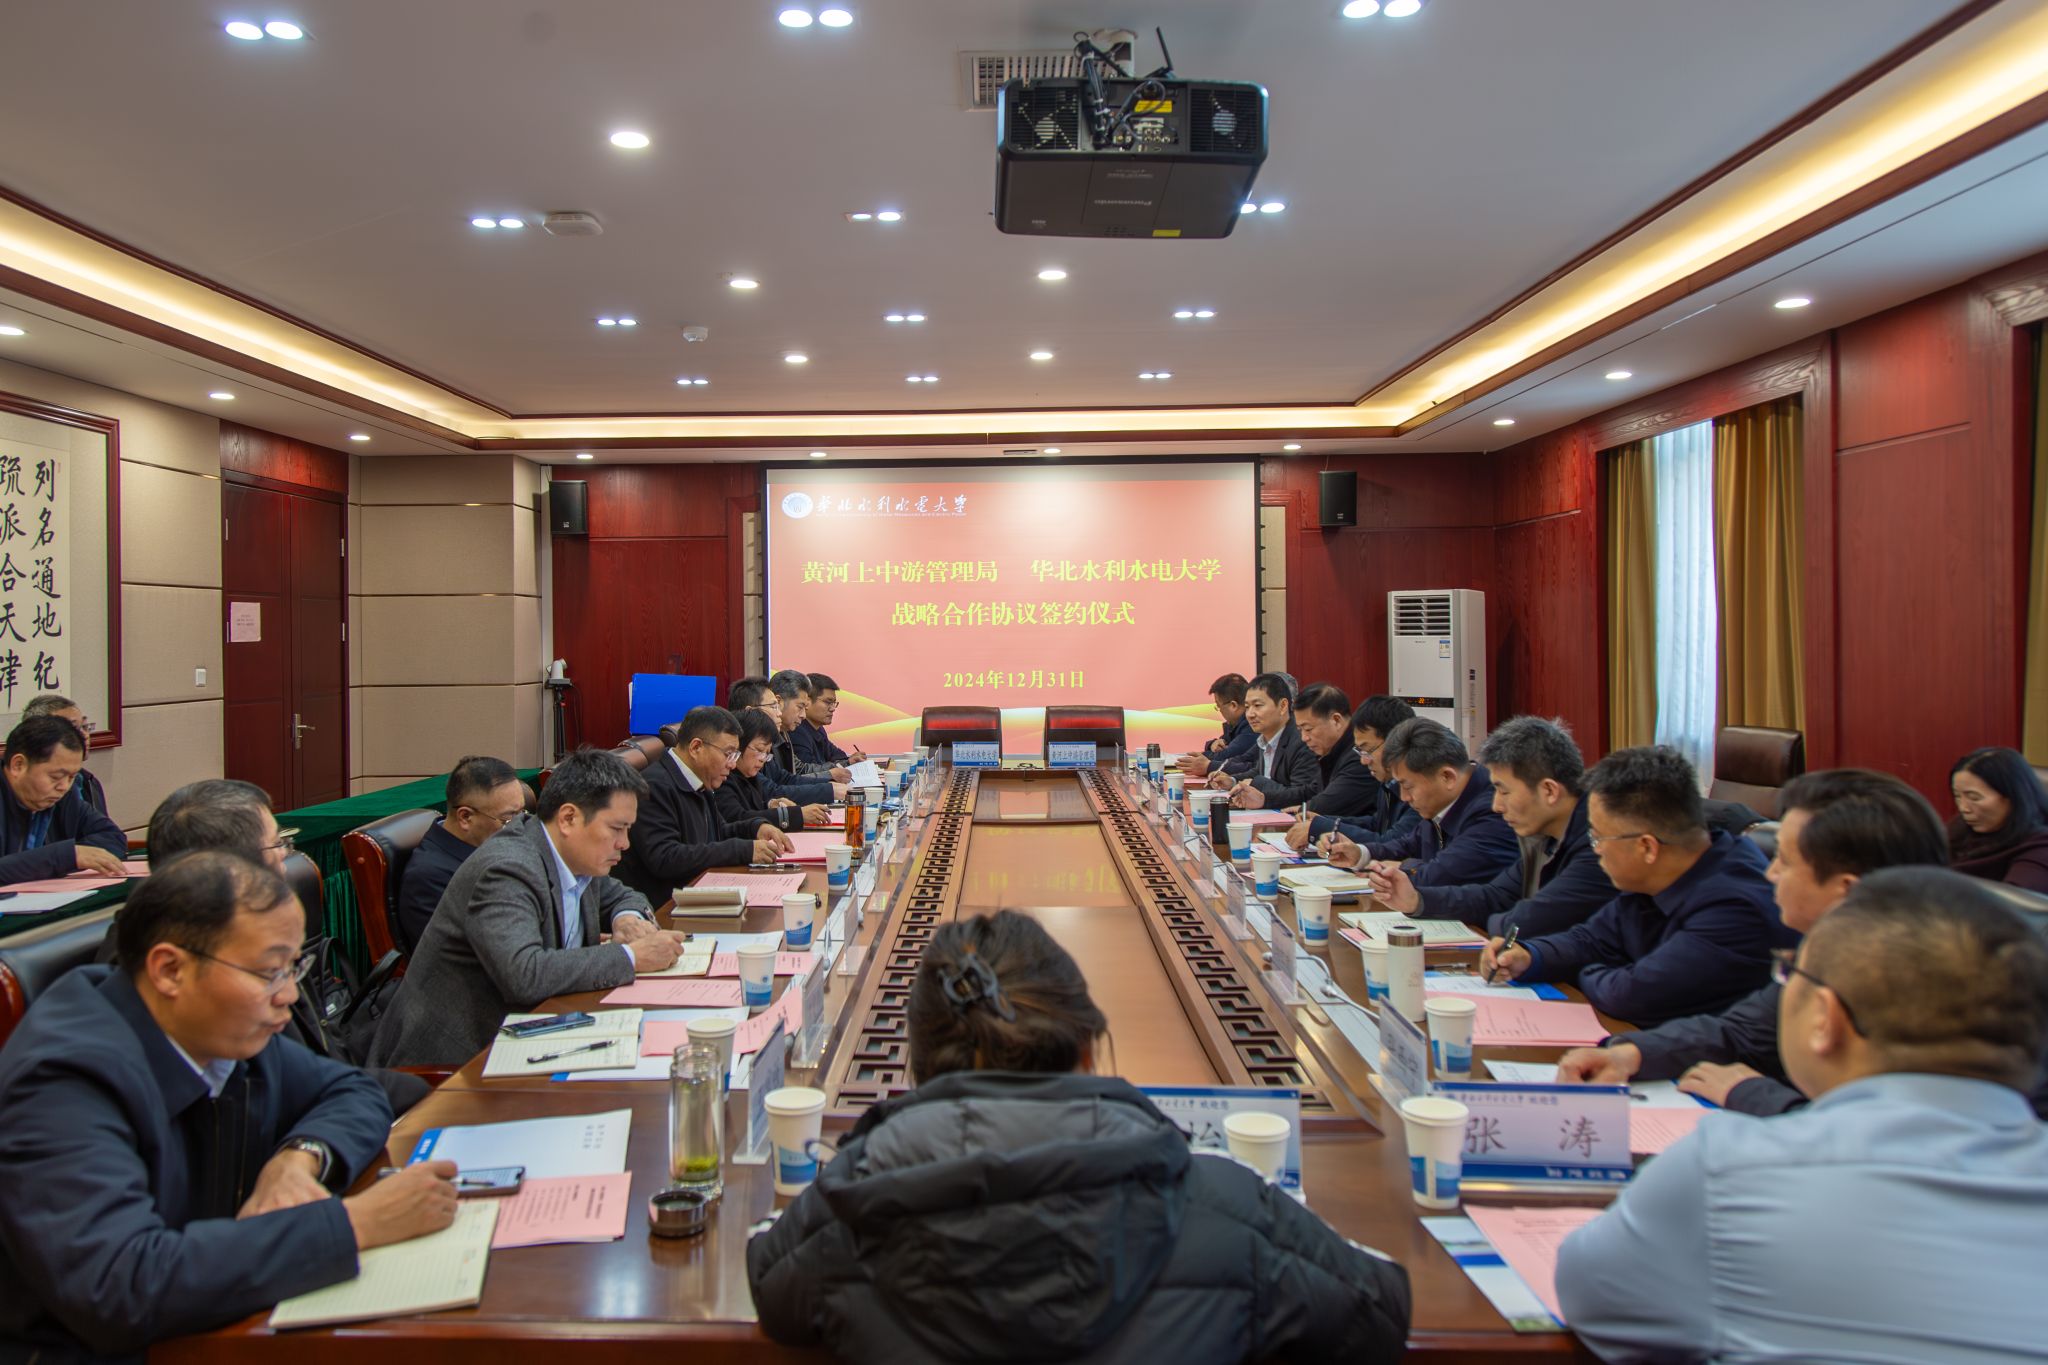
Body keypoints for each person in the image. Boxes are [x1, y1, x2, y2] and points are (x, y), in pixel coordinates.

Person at [745, 910, 1411, 1364]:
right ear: (1089, 1050)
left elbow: (768, 1279)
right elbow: (1381, 1310)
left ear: (918, 1065)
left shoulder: (847, 1205)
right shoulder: (1230, 1207)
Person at [1555, 867, 2048, 1363]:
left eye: (1788, 976)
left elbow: (1594, 1298)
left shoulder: (1728, 1169)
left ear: (1824, 1020)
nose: (1770, 870)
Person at [0, 850, 459, 1361]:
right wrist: (355, 1225)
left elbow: (353, 1089)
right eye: (269, 972)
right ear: (170, 969)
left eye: (294, 967)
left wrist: (300, 1157)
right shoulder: (62, 1081)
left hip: (216, 1325)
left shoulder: (219, 1029)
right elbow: (120, 1284)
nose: (289, 995)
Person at [1554, 768, 1964, 1116]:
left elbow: (1887, 1133)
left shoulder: (1946, 989)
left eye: (1785, 860)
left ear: (1847, 891)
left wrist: (1752, 1094)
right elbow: (1741, 1032)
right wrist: (1630, 1054)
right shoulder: (1827, 951)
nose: (1770, 874)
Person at [368, 748, 682, 1068]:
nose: (625, 843)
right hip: (461, 1061)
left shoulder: (572, 854)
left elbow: (624, 895)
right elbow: (524, 974)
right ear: (569, 818)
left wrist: (626, 918)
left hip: (540, 1030)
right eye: (616, 829)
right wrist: (631, 956)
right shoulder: (507, 868)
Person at [135, 778, 431, 1116]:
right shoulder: (193, 988)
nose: (286, 857)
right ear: (227, 868)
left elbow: (319, 1081)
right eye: (277, 844)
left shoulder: (256, 945)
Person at [1480, 745, 1777, 1026]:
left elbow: (1629, 996)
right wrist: (1531, 956)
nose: (1595, 849)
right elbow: (1592, 940)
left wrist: (1585, 973)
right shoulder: (1655, 878)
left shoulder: (1734, 907)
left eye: (1598, 837)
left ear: (1647, 847)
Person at [1367, 716, 1614, 937]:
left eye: (1504, 791)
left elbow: (1524, 922)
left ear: (1549, 791)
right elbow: (1495, 896)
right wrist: (1416, 901)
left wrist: (1500, 923)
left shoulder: (1600, 845)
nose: (1497, 805)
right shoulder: (1541, 835)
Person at [613, 706, 792, 906]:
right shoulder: (654, 787)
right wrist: (743, 849)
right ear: (696, 747)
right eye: (728, 754)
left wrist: (756, 828)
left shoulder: (698, 780)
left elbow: (719, 831)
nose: (732, 765)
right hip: (668, 908)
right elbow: (665, 857)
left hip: (699, 893)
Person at [1324, 719, 1520, 895]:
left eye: (1408, 786)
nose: (1404, 797)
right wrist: (1360, 854)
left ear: (1447, 777)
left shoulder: (1492, 810)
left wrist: (1405, 867)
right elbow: (1408, 844)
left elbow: (1445, 873)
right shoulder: (1444, 802)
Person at [394, 754, 524, 955]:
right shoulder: (428, 878)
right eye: (508, 819)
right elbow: (456, 958)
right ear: (465, 817)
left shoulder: (491, 849)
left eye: (522, 814)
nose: (520, 827)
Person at [0, 715, 127, 884]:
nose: (64, 786)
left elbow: (113, 837)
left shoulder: (64, 796)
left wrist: (74, 856)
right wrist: (65, 856)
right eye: (55, 777)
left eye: (72, 777)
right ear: (18, 765)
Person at [1288, 695, 1420, 850]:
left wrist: (1320, 828)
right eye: (1360, 751)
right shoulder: (1389, 782)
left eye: (1367, 750)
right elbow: (1376, 824)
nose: (1363, 761)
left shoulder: (1418, 787)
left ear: (1395, 743)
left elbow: (1392, 842)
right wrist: (1326, 822)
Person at [1207, 673, 1322, 810]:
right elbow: (1259, 772)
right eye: (1247, 707)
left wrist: (1256, 784)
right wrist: (1232, 781)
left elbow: (1303, 795)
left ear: (1283, 706)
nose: (1250, 714)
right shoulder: (1266, 736)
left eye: (1257, 705)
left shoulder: (1302, 740)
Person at [1948, 745, 2048, 893]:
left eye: (1974, 798)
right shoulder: (1961, 826)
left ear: (2013, 797)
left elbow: (2016, 900)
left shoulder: (2040, 846)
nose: (1963, 808)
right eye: (1957, 796)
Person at [729, 677, 840, 808]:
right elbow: (772, 791)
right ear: (750, 711)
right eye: (774, 706)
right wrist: (828, 790)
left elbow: (784, 779)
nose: (779, 713)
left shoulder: (776, 737)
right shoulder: (736, 757)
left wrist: (829, 784)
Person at [717, 710, 831, 834]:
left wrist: (770, 805)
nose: (762, 759)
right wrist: (794, 814)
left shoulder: (751, 776)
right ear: (738, 744)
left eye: (767, 753)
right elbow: (737, 818)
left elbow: (753, 807)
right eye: (759, 750)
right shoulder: (722, 777)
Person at [1291, 683, 1383, 820]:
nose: (1304, 738)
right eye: (1300, 730)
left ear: (1336, 720)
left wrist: (1301, 810)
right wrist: (1266, 798)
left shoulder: (1360, 755)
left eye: (1308, 729)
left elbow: (1327, 806)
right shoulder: (1332, 751)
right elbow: (1311, 790)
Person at [20, 692, 106, 816]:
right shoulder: (27, 791)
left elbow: (102, 827)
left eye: (84, 726)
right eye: (73, 729)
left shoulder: (88, 781)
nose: (84, 735)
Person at [769, 668, 851, 783]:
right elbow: (781, 784)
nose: (803, 715)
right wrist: (829, 779)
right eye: (800, 707)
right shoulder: (789, 732)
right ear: (778, 702)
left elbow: (799, 770)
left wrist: (838, 769)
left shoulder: (784, 731)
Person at [1178, 674, 1251, 779]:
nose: (1219, 710)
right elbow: (1221, 746)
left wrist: (1206, 762)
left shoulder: (1251, 726)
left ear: (1233, 705)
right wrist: (1212, 744)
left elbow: (1225, 756)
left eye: (1218, 706)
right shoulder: (1234, 725)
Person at [794, 671, 865, 766]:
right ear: (807, 702)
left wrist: (849, 760)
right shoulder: (796, 731)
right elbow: (809, 770)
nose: (833, 709)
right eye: (828, 702)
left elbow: (839, 756)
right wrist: (846, 763)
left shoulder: (819, 729)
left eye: (834, 703)